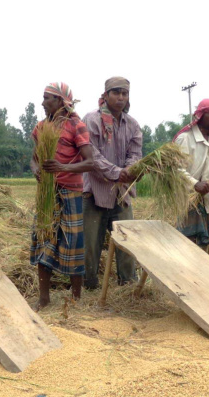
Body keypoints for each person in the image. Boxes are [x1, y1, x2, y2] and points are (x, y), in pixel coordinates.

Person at [30, 82, 97, 309]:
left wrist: (62, 167)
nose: (42, 102)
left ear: (60, 101)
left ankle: (76, 298)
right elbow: (34, 159)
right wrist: (36, 170)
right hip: (46, 193)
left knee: (73, 243)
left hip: (71, 193)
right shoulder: (41, 127)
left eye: (47, 98)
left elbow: (90, 162)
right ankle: (44, 298)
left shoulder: (76, 126)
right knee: (44, 239)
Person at [81, 76, 141, 289]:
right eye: (116, 93)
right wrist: (117, 172)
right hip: (95, 192)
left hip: (121, 193)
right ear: (105, 96)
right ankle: (89, 286)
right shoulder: (91, 120)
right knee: (90, 244)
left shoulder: (132, 124)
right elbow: (92, 155)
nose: (121, 97)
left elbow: (135, 153)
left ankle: (128, 284)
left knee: (127, 241)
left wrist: (130, 169)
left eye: (124, 93)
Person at [173, 99, 209, 263]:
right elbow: (177, 169)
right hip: (189, 198)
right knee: (190, 239)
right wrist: (194, 184)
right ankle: (189, 272)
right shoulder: (185, 139)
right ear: (201, 115)